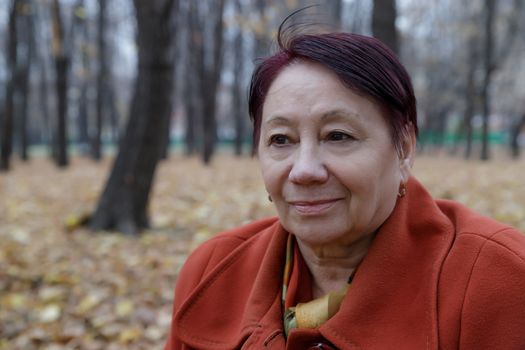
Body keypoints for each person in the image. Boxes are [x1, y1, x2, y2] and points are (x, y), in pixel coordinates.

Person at [164, 24, 525, 350]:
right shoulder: (212, 271)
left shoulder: (498, 279)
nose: (304, 171)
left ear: (405, 148)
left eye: (338, 136)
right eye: (280, 140)